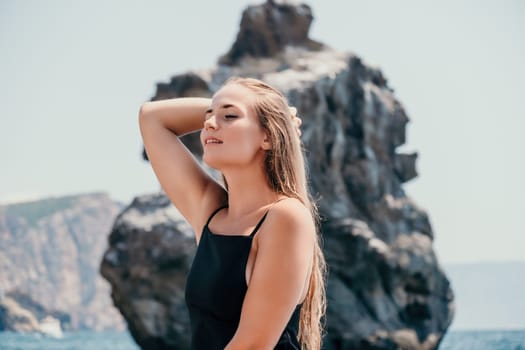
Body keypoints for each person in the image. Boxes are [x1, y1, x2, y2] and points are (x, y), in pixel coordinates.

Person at [138, 76, 327, 349]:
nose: (209, 123)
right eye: (208, 117)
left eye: (229, 116)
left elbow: (253, 345)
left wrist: (273, 115)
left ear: (268, 136)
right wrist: (228, 109)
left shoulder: (286, 217)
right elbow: (151, 118)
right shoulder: (212, 214)